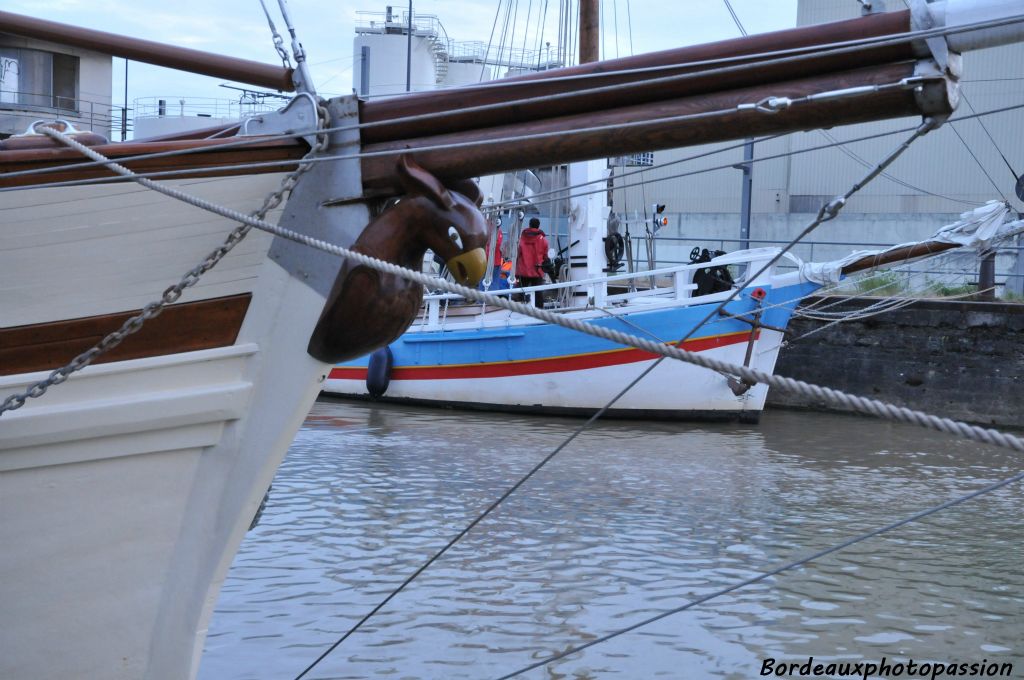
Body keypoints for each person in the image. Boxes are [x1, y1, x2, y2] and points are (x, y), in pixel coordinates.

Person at [516, 217, 551, 308]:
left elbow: (517, 253)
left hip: (523, 270)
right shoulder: (543, 240)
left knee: (521, 291)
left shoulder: (522, 238)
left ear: (529, 225)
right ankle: (539, 311)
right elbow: (545, 255)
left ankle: (520, 310)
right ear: (538, 226)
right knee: (538, 293)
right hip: (537, 270)